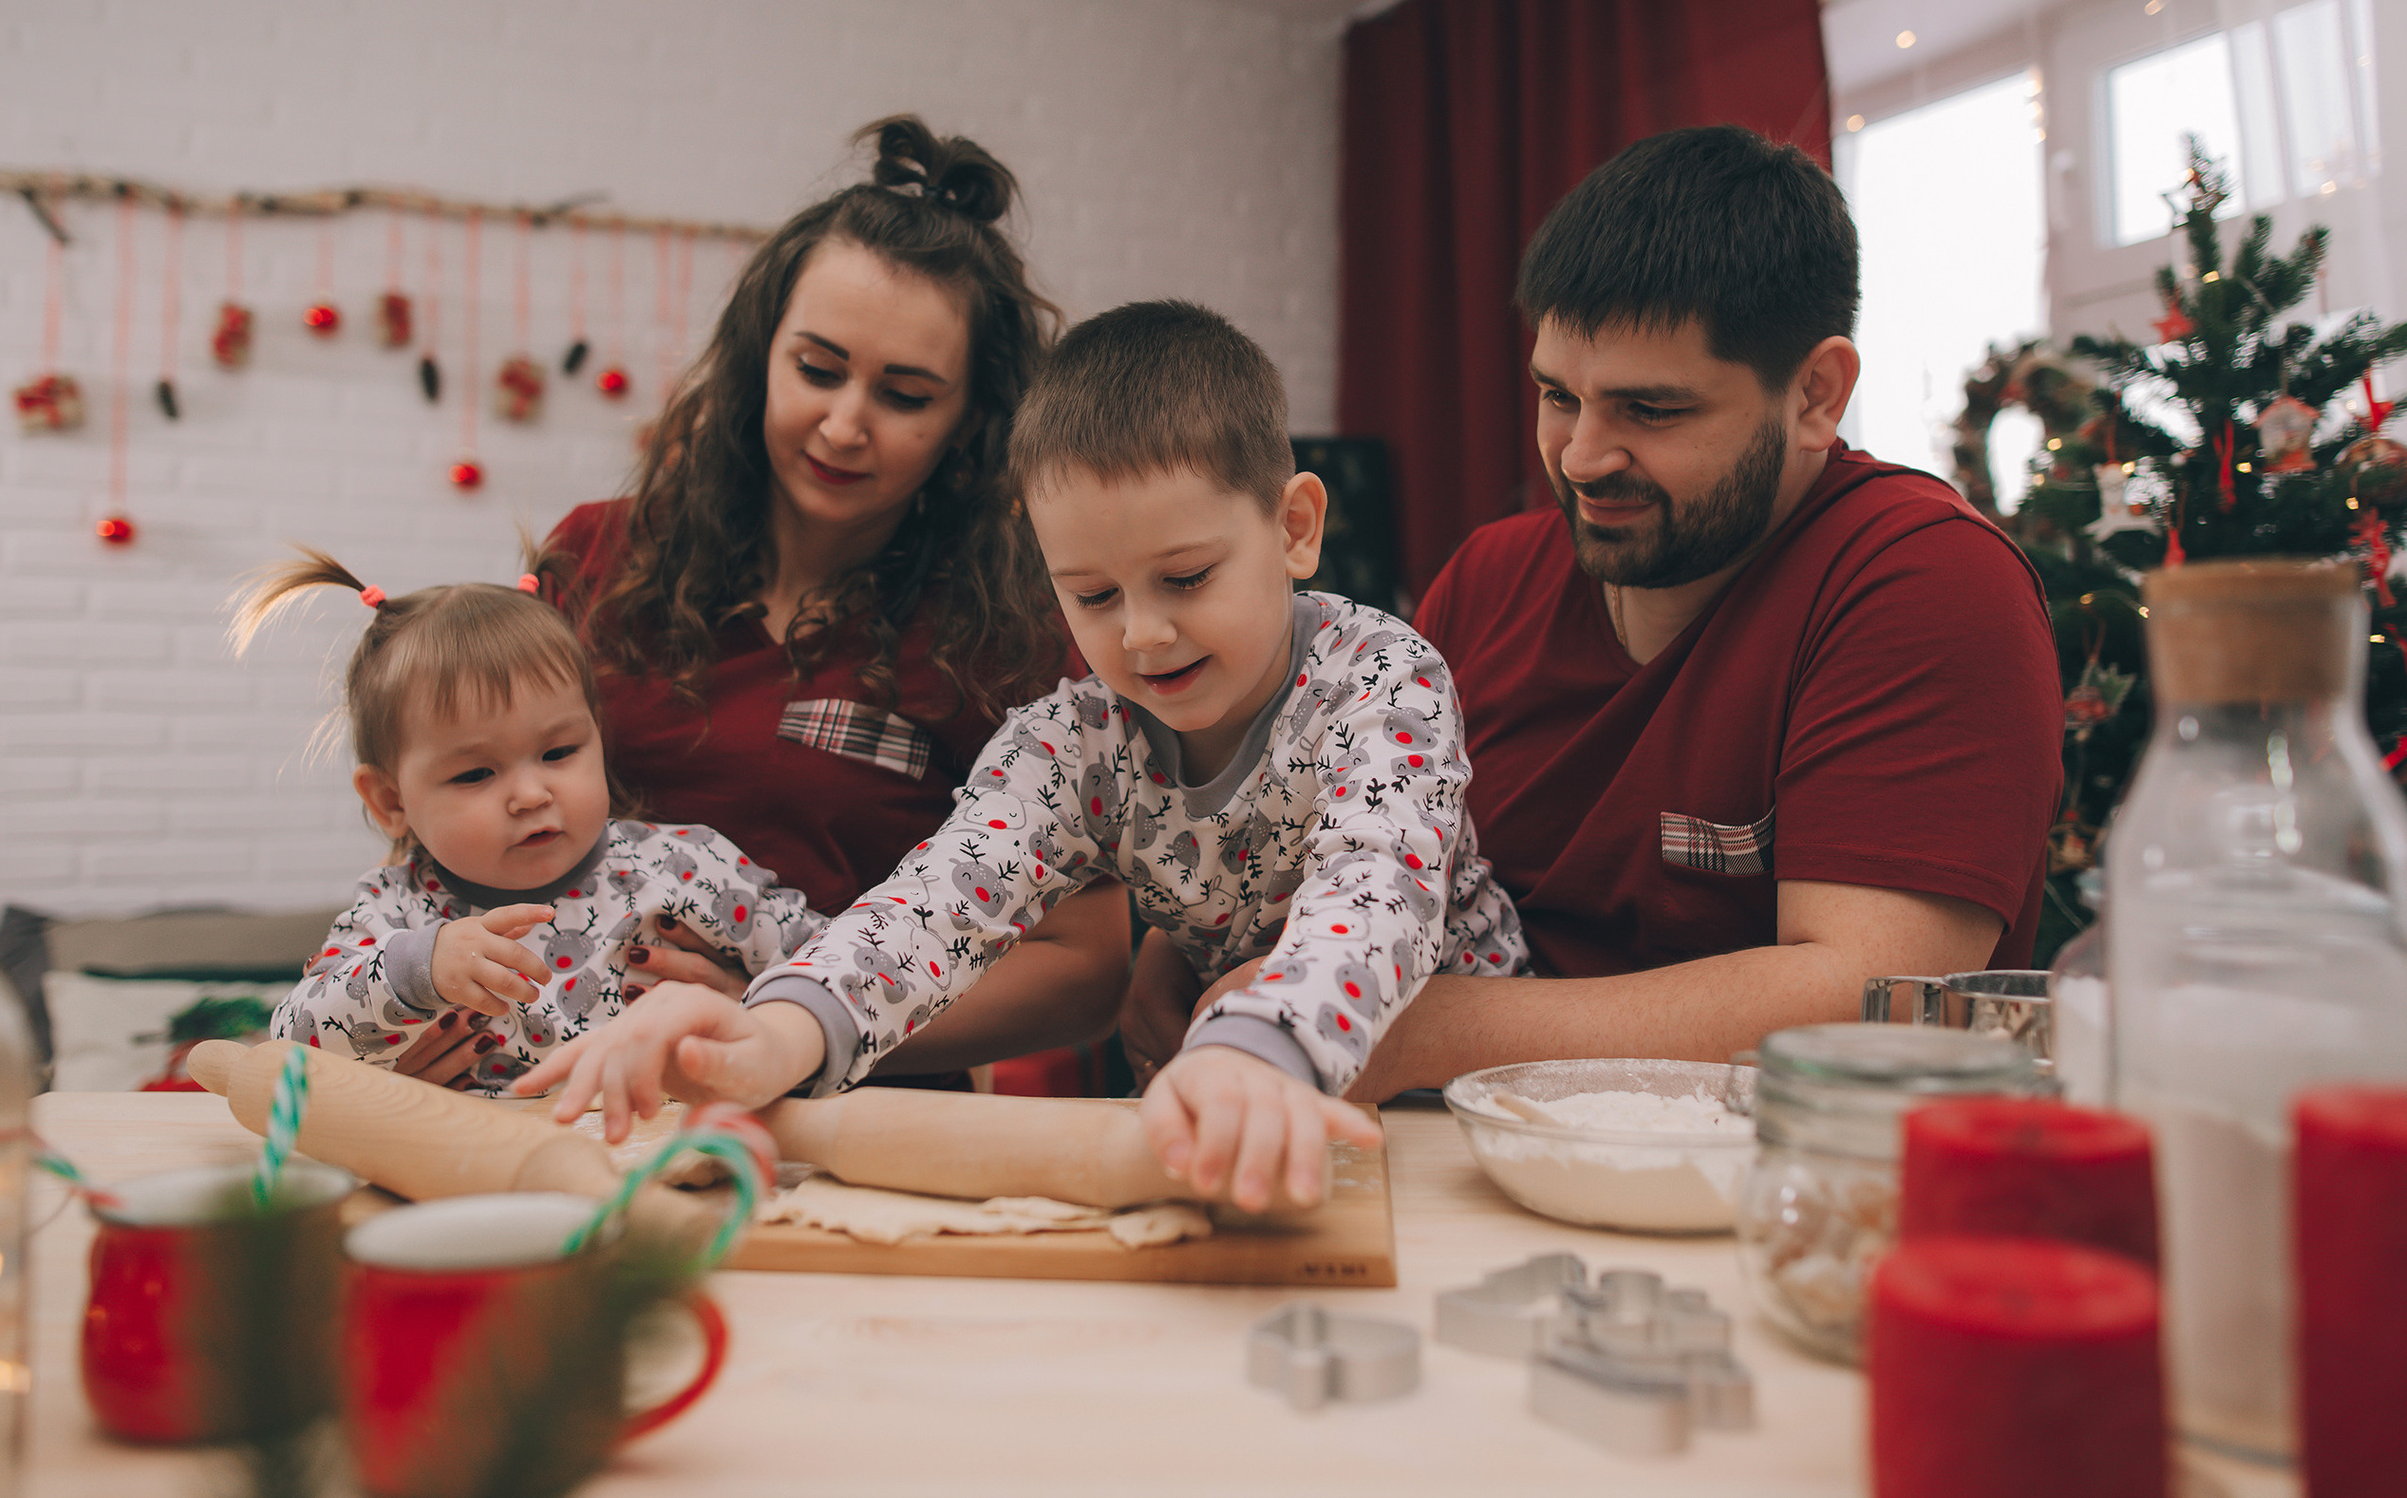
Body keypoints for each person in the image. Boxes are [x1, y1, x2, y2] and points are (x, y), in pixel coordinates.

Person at [518, 301, 1531, 1210]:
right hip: (1233, 1089)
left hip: (1454, 1119)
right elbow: (932, 907)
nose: (1141, 635)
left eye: (1184, 577)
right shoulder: (1078, 737)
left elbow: (1373, 891)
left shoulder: (1383, 677)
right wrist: (770, 1031)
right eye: (1092, 595)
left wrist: (1251, 1050)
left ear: (1294, 527)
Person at [1122, 125, 2065, 1095]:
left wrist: (1421, 1032)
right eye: (1556, 395)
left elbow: (1877, 997)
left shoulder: (1924, 580)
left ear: (1815, 395)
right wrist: (1181, 942)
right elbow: (1328, 830)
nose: (1579, 457)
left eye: (1650, 411)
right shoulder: (1487, 579)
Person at [397, 117, 1131, 1090]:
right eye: (817, 370)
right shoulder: (597, 554)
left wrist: (788, 1019)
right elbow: (452, 807)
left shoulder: (1008, 631)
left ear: (969, 425)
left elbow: (1085, 967)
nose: (843, 424)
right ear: (759, 355)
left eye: (905, 395)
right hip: (554, 1087)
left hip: (845, 1122)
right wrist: (422, 980)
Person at [238, 550, 821, 1093]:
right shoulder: (396, 916)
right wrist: (414, 973)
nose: (530, 794)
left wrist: (759, 1016)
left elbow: (835, 971)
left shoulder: (685, 869)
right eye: (475, 774)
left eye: (558, 752)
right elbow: (294, 1046)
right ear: (391, 801)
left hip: (675, 1162)